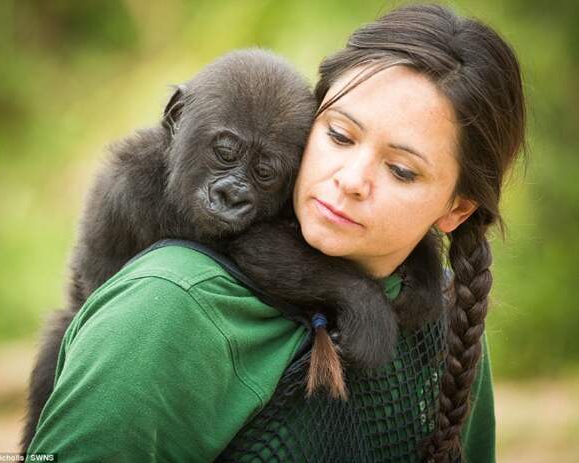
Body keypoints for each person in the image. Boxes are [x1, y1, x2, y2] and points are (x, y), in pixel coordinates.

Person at [26, 4, 525, 462]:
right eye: (339, 136)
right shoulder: (169, 297)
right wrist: (352, 293)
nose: (349, 181)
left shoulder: (449, 318)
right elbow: (243, 248)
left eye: (401, 170)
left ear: (455, 210)